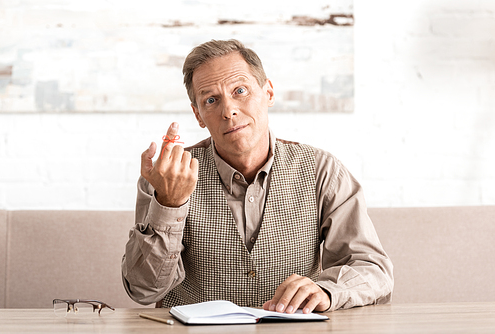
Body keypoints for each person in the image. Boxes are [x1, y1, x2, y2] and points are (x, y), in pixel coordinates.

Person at [122, 39, 393, 313]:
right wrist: (169, 204)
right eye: (211, 100)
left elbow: (374, 270)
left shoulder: (323, 171)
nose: (228, 111)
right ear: (198, 115)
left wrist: (327, 290)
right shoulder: (164, 179)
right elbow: (144, 290)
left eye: (240, 91)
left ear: (269, 93)